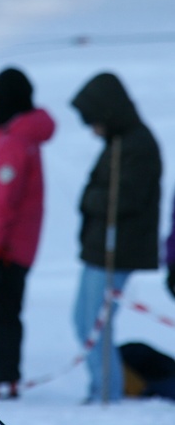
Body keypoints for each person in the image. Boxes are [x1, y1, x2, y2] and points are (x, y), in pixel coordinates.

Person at [71, 72, 161, 403]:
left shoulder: (138, 145)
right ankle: (103, 386)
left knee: (95, 324)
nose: (92, 130)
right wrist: (92, 196)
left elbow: (122, 200)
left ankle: (107, 391)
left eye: (94, 121)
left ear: (108, 113)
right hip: (97, 249)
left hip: (118, 250)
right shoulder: (117, 142)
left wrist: (89, 198)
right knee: (83, 320)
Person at [0, 67, 55, 399]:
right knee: (0, 311)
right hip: (9, 245)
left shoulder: (14, 141)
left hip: (2, 249)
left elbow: (3, 201)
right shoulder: (16, 136)